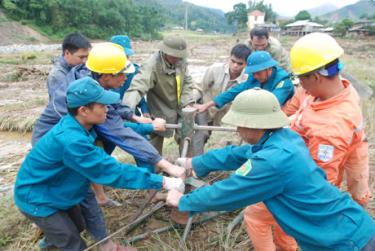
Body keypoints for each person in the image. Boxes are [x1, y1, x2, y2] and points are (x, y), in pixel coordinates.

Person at [166, 88, 375, 251]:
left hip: (346, 241)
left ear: (251, 124)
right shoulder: (283, 138)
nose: (237, 129)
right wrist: (196, 163)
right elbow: (236, 154)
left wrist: (184, 201)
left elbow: (229, 192)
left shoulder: (273, 161)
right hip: (343, 227)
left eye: (239, 124)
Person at [30, 42, 185, 247]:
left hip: (72, 138)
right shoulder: (83, 112)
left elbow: (114, 110)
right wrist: (164, 170)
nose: (125, 79)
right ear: (106, 76)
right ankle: (48, 223)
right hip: (51, 142)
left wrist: (135, 117)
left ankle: (67, 231)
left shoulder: (92, 82)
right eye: (122, 74)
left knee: (81, 191)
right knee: (70, 191)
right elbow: (118, 140)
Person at [123, 35, 195, 154]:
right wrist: (126, 109)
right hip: (160, 106)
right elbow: (137, 87)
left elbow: (187, 81)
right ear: (164, 51)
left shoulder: (181, 60)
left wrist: (187, 102)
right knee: (153, 143)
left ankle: (186, 165)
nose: (177, 58)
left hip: (182, 105)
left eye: (179, 56)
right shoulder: (151, 66)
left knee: (187, 136)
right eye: (173, 56)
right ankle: (154, 169)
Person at [191, 44, 251, 155]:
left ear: (246, 64)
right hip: (204, 108)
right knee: (201, 133)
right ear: (229, 58)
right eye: (233, 61)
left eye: (240, 63)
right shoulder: (215, 69)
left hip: (224, 115)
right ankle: (195, 164)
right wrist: (191, 103)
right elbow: (199, 88)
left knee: (219, 138)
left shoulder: (247, 80)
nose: (235, 66)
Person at [195, 51, 294, 114]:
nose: (255, 76)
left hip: (282, 116)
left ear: (268, 69)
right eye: (253, 73)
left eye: (258, 73)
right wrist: (208, 105)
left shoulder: (283, 82)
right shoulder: (255, 76)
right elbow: (236, 90)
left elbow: (272, 104)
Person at [110, 35, 150, 117]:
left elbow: (137, 91)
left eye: (126, 56)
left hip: (131, 113)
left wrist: (144, 109)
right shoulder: (106, 73)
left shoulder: (133, 71)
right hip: (113, 114)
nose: (124, 59)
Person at [45, 32, 91, 101]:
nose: (85, 61)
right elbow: (61, 104)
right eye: (81, 57)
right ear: (67, 53)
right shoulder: (57, 75)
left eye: (87, 57)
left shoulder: (79, 68)